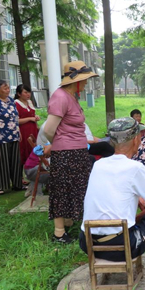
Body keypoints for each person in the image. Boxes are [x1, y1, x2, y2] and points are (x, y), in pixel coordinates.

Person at [79, 117, 145, 275]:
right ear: (136, 139)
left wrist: (138, 201)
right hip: (121, 247)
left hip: (87, 243)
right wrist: (141, 216)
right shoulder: (134, 167)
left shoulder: (98, 164)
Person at [44, 61, 98, 244]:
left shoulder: (71, 96)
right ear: (75, 81)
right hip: (66, 153)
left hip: (76, 152)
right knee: (62, 190)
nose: (86, 83)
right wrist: (58, 144)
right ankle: (59, 233)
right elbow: (48, 129)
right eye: (85, 80)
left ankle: (68, 222)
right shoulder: (60, 96)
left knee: (76, 188)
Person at [14, 84, 40, 166]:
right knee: (23, 151)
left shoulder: (30, 102)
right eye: (25, 92)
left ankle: (33, 172)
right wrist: (29, 118)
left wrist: (35, 117)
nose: (28, 94)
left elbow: (32, 115)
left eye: (29, 92)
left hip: (32, 130)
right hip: (23, 131)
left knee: (33, 149)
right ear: (19, 94)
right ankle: (21, 176)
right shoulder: (16, 104)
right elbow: (15, 120)